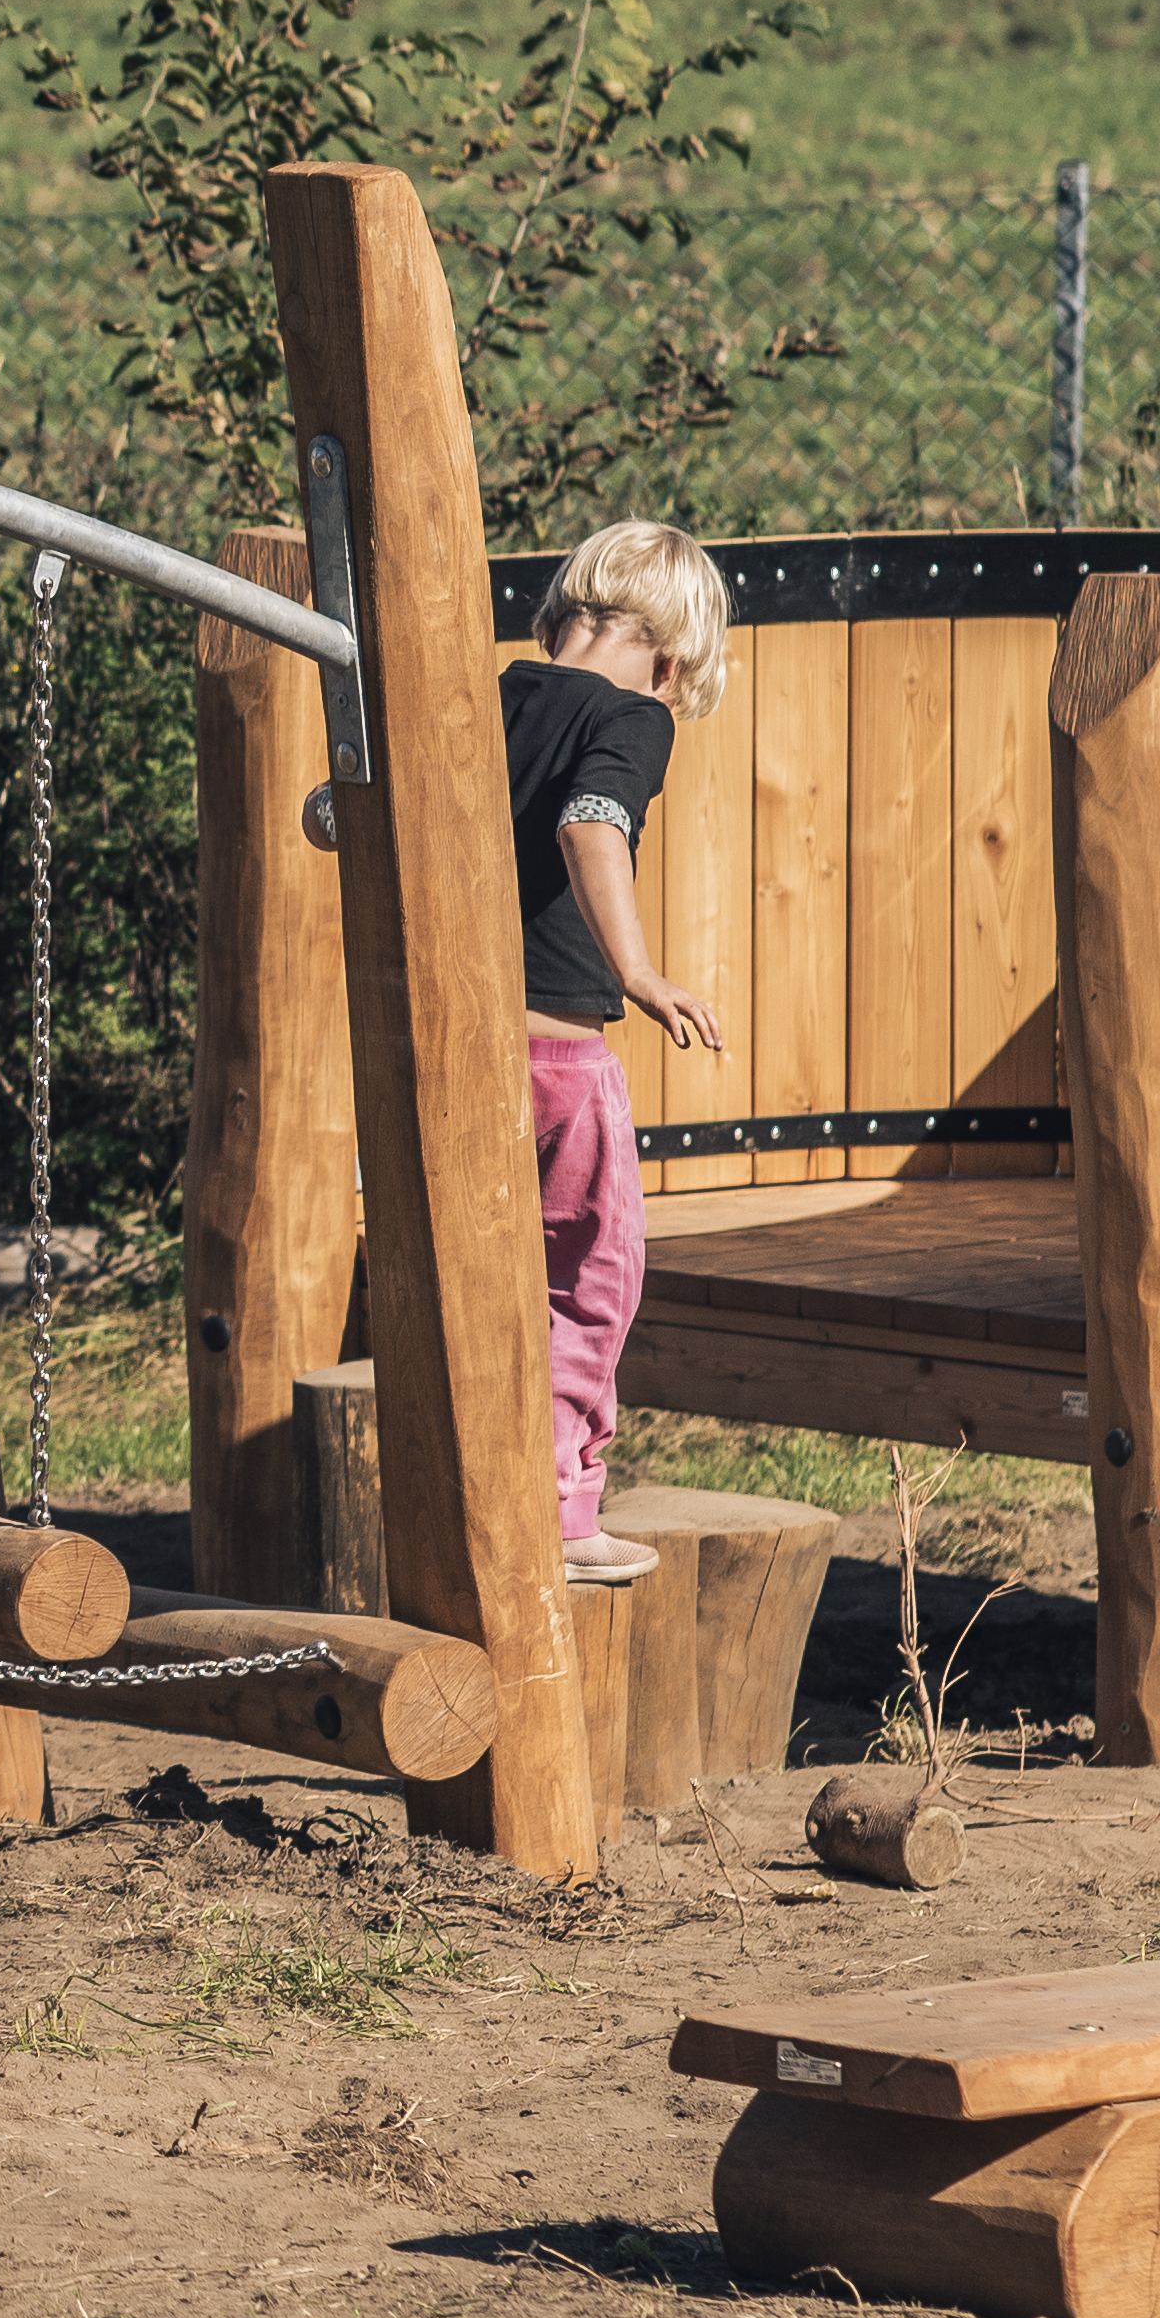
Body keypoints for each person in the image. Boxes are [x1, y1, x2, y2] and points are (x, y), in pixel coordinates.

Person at [466, 518, 730, 1584]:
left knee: (481, 1277)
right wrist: (639, 970)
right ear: (671, 662)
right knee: (592, 1274)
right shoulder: (632, 714)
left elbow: (339, 811)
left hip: (460, 1051)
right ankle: (562, 1511)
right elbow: (589, 820)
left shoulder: (484, 693)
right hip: (560, 1064)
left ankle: (478, 1487)